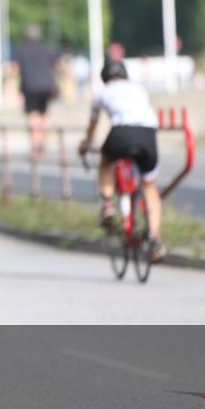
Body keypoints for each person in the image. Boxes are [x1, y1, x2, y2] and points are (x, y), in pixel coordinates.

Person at [78, 60, 165, 262]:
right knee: (150, 187)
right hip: (147, 135)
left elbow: (92, 128)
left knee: (106, 162)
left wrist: (85, 145)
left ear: (105, 79)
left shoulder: (102, 93)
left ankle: (108, 204)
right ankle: (154, 237)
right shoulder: (139, 89)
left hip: (120, 133)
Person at [11, 25, 59, 158]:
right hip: (47, 86)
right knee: (44, 114)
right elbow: (56, 67)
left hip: (30, 86)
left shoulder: (21, 50)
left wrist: (10, 86)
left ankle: (36, 143)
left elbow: (13, 70)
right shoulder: (47, 49)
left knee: (32, 115)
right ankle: (43, 140)